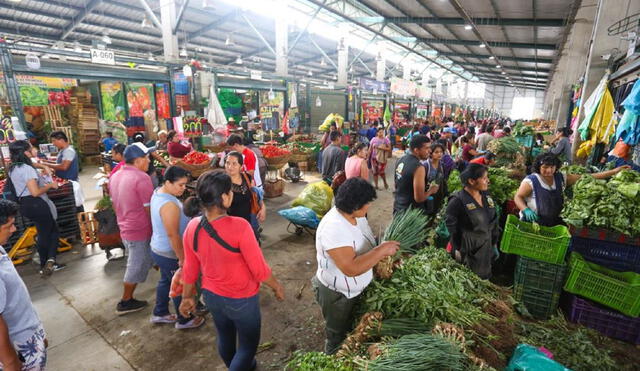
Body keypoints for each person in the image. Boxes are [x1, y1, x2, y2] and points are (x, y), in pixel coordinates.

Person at [179, 171, 284, 370]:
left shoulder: (192, 227)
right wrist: (277, 286)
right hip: (241, 299)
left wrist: (187, 297)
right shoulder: (240, 227)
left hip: (212, 297)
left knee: (225, 338)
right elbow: (259, 270)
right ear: (225, 197)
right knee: (247, 347)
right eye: (230, 191)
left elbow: (190, 268)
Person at [312, 178, 399, 354]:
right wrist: (381, 250)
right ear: (355, 206)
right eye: (367, 203)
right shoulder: (334, 228)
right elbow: (350, 268)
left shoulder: (355, 216)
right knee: (337, 334)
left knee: (351, 326)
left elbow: (363, 240)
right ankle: (333, 358)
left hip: (355, 289)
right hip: (338, 295)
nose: (369, 206)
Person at [150, 166, 206, 329]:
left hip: (158, 248)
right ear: (167, 182)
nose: (183, 188)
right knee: (179, 286)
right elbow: (173, 235)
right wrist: (182, 258)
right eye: (180, 185)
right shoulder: (169, 205)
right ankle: (184, 320)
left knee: (166, 281)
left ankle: (159, 312)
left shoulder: (158, 192)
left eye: (184, 184)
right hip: (169, 252)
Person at [514, 153, 628, 227]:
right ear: (539, 167)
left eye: (552, 167)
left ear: (556, 167)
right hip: (532, 223)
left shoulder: (561, 178)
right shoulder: (531, 181)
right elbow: (518, 197)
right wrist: (525, 209)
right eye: (545, 167)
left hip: (554, 224)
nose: (549, 170)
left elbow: (588, 177)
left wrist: (613, 172)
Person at [0, 200, 48, 370]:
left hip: (28, 335)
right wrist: (10, 362)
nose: (14, 229)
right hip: (18, 347)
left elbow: (17, 299)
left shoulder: (0, 249)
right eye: (9, 225)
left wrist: (38, 332)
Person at [109, 143, 155, 315]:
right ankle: (125, 301)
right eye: (147, 157)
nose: (149, 161)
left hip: (125, 226)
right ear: (138, 160)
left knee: (149, 258)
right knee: (135, 265)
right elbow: (149, 208)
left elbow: (115, 204)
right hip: (139, 229)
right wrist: (157, 228)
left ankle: (170, 280)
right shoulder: (142, 178)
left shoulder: (116, 176)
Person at [8, 140, 64, 276]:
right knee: (50, 233)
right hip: (36, 203)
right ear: (26, 152)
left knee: (44, 232)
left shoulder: (14, 167)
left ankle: (48, 262)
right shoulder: (27, 169)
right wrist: (50, 185)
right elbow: (35, 192)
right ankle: (48, 263)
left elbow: (32, 165)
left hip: (25, 205)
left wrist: (43, 166)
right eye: (31, 148)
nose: (34, 150)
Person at [445, 164, 499, 279]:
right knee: (468, 282)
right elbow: (452, 228)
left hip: (486, 249)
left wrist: (494, 242)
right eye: (484, 178)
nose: (488, 181)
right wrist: (458, 249)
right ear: (471, 181)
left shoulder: (486, 196)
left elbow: (493, 221)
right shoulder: (457, 201)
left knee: (483, 280)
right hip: (467, 251)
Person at [393, 135, 439, 214]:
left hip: (398, 207)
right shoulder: (419, 168)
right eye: (426, 148)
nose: (430, 151)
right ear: (416, 150)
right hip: (410, 212)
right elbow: (419, 198)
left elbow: (396, 184)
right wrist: (431, 190)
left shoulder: (401, 159)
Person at [224, 152, 266, 237]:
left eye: (234, 164)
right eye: (227, 163)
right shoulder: (222, 182)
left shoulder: (247, 177)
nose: (230, 167)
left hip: (249, 222)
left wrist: (263, 208)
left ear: (241, 166)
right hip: (231, 227)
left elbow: (256, 193)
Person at [424, 143, 447, 216]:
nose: (439, 154)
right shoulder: (426, 165)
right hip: (427, 196)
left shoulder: (442, 165)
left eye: (441, 152)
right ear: (431, 153)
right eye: (436, 152)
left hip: (438, 196)